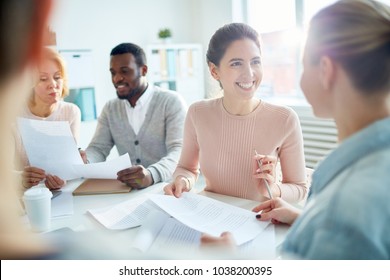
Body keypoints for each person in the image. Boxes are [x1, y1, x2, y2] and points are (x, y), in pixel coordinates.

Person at [201, 0, 390, 259]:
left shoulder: (347, 208)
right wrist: (304, 218)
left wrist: (232, 262)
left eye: (303, 62)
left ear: (326, 71)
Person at [164, 23, 307, 203]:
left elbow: (299, 188)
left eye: (255, 61)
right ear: (215, 71)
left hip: (257, 220)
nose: (249, 73)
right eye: (236, 63)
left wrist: (273, 188)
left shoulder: (285, 119)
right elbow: (186, 168)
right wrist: (182, 181)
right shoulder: (197, 113)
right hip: (210, 215)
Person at [85, 43, 187, 189]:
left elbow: (179, 150)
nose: (116, 79)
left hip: (167, 189)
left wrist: (152, 174)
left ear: (143, 70)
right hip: (128, 192)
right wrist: (86, 162)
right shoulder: (110, 108)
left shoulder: (171, 102)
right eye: (113, 73)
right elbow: (98, 148)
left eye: (124, 71)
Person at [14, 47, 81, 191]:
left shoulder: (71, 112)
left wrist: (67, 175)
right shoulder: (12, 117)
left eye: (57, 77)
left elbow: (69, 167)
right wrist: (21, 178)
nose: (53, 84)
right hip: (23, 198)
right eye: (43, 79)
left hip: (61, 194)